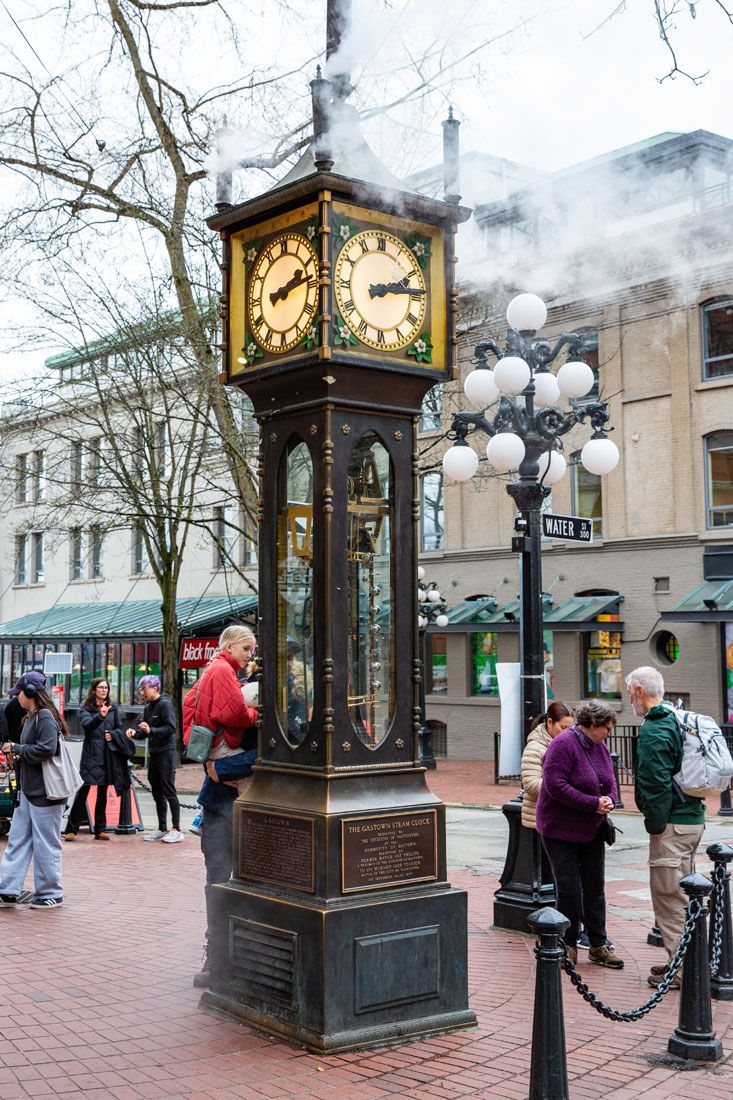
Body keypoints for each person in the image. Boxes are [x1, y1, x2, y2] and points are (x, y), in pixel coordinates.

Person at [182, 624, 259, 988]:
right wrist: (216, 768)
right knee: (217, 878)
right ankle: (217, 955)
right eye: (247, 650)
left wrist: (220, 768)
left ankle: (237, 956)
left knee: (234, 881)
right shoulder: (229, 680)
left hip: (243, 807)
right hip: (220, 806)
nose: (250, 657)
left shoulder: (232, 681)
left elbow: (264, 756)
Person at [626, 666, 705, 990]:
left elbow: (654, 781)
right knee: (685, 897)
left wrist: (654, 825)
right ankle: (689, 960)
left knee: (669, 899)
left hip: (672, 825)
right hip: (692, 821)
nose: (629, 699)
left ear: (640, 691)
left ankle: (684, 969)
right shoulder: (677, 717)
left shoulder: (656, 727)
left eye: (629, 692)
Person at [536, 699, 623, 969]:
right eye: (607, 728)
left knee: (595, 887)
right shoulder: (563, 744)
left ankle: (598, 944)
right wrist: (592, 803)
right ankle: (568, 945)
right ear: (592, 724)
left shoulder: (600, 747)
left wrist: (609, 799)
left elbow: (610, 781)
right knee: (569, 889)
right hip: (560, 829)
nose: (609, 732)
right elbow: (555, 785)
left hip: (592, 828)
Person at [0, 674, 67, 908]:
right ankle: (7, 889)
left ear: (29, 692)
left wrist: (18, 748)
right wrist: (18, 754)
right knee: (17, 840)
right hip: (30, 791)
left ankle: (51, 892)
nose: (16, 697)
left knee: (46, 844)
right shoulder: (32, 717)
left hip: (45, 792)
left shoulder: (45, 716)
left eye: (18, 692)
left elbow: (47, 748)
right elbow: (36, 750)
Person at [64, 677, 133, 841]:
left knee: (103, 792)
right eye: (101, 687)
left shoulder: (112, 707)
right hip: (91, 754)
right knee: (84, 791)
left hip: (107, 754)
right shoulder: (86, 708)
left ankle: (100, 829)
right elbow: (87, 726)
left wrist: (113, 735)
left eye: (106, 688)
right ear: (94, 690)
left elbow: (119, 727)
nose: (104, 690)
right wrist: (100, 716)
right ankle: (71, 829)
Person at [126, 675, 182, 844]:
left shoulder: (165, 704)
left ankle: (177, 829)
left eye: (144, 689)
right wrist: (135, 733)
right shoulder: (148, 707)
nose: (142, 692)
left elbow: (171, 728)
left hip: (166, 753)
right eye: (141, 689)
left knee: (168, 789)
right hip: (155, 753)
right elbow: (146, 730)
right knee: (157, 791)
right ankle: (162, 828)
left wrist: (151, 731)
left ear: (154, 688)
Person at [520, 701, 574, 829]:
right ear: (550, 722)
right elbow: (531, 784)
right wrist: (564, 785)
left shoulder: (568, 745)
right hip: (542, 820)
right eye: (563, 727)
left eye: (571, 728)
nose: (567, 732)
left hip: (561, 817)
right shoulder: (535, 748)